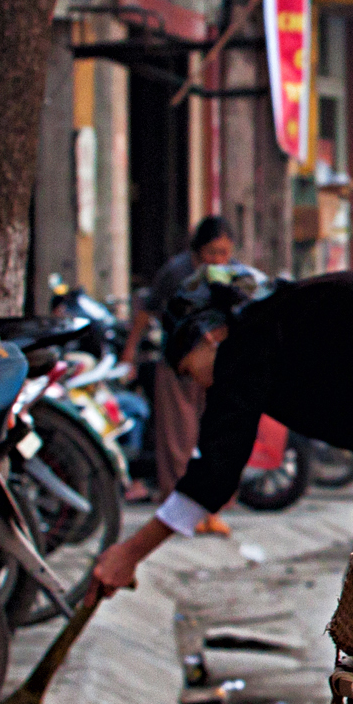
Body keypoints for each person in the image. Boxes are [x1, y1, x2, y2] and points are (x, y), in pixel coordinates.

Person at [89, 268, 353, 591]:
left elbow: (215, 472)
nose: (198, 385)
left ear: (209, 336)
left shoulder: (244, 343)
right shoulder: (272, 319)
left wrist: (129, 553)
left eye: (189, 371)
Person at [129, 216, 235, 507]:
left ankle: (212, 506)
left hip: (217, 365)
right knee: (178, 439)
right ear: (198, 250)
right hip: (179, 363)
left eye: (224, 253)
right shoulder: (177, 273)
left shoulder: (233, 275)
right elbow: (146, 312)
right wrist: (128, 354)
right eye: (212, 252)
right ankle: (179, 507)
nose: (218, 259)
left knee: (216, 433)